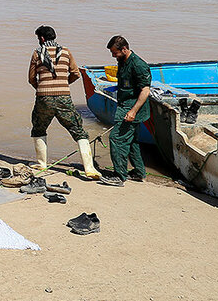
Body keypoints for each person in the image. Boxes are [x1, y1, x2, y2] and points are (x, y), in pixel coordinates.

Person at [28, 25, 101, 179]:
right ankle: (89, 168)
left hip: (43, 98)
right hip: (64, 97)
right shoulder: (66, 52)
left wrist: (41, 87)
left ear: (41, 38)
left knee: (39, 128)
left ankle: (42, 164)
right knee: (77, 130)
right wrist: (64, 83)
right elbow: (76, 74)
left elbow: (31, 78)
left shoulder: (37, 53)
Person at [103, 35, 151, 186]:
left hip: (131, 108)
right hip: (124, 104)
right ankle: (139, 172)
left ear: (124, 49)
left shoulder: (138, 65)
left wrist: (133, 111)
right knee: (131, 141)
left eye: (115, 52)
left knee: (116, 139)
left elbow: (145, 90)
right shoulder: (122, 61)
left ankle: (120, 176)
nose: (113, 56)